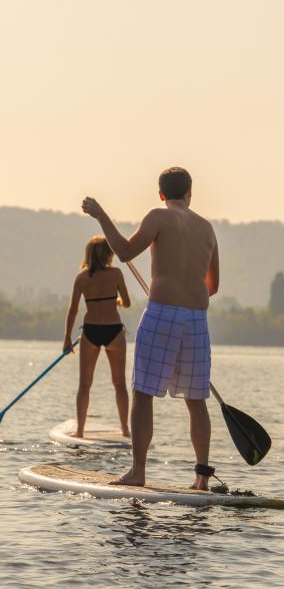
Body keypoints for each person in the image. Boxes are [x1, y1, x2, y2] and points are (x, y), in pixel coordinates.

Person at [81, 167, 219, 489]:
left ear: (160, 194)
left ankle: (138, 472)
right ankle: (201, 479)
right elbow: (212, 285)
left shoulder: (158, 216)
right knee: (196, 400)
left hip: (163, 314)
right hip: (196, 318)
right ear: (189, 193)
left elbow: (126, 252)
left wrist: (102, 216)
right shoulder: (207, 228)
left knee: (143, 393)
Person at [63, 236, 131, 438]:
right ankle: (125, 430)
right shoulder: (117, 273)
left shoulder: (81, 277)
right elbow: (126, 302)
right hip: (114, 331)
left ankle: (80, 431)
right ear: (107, 254)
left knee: (85, 384)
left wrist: (67, 337)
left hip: (91, 331)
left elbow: (73, 310)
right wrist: (114, 301)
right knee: (119, 384)